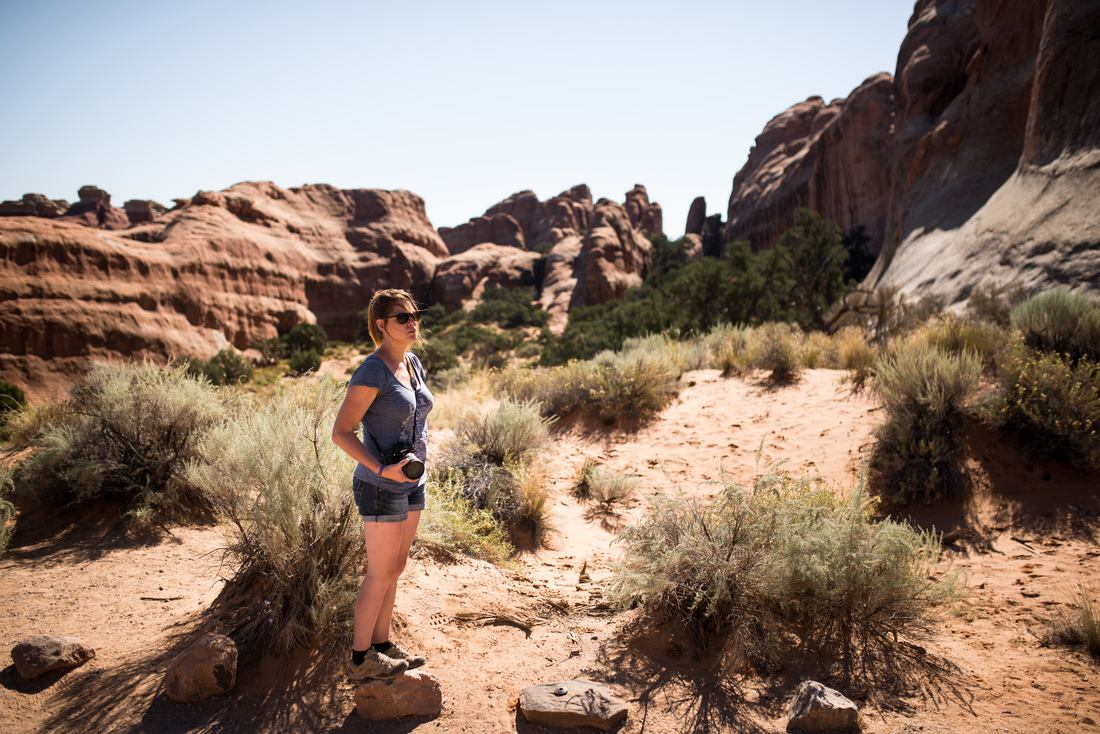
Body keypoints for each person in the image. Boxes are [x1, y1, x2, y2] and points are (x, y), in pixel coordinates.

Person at [331, 288, 434, 680]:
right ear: (381, 325)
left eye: (414, 316)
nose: (412, 323)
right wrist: (379, 469)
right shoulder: (372, 371)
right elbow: (341, 433)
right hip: (379, 485)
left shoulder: (412, 362)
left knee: (396, 566)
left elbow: (419, 416)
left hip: (413, 481)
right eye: (402, 318)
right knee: (379, 571)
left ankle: (382, 645)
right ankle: (360, 660)